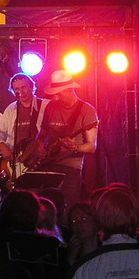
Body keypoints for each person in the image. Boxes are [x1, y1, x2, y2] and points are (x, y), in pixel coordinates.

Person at [38, 70, 99, 208]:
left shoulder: (86, 110)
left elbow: (91, 146)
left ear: (70, 90)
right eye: (54, 94)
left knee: (67, 207)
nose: (55, 98)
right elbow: (42, 134)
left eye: (59, 93)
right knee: (46, 206)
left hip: (71, 168)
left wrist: (75, 147)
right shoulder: (50, 107)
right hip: (47, 165)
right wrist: (39, 144)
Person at [0, 73, 48, 189]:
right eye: (17, 89)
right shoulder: (11, 109)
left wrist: (43, 145)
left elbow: (52, 130)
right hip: (16, 163)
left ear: (31, 87)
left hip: (39, 162)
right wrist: (4, 148)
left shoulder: (45, 105)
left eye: (24, 87)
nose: (21, 91)